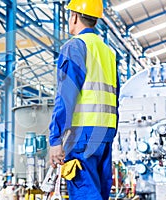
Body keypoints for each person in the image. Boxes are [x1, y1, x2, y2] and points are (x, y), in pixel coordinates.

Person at [48, 0, 120, 199]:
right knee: (99, 192)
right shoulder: (108, 53)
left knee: (85, 193)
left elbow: (65, 97)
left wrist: (55, 139)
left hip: (82, 136)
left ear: (74, 16)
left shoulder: (75, 47)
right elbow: (116, 98)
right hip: (105, 135)